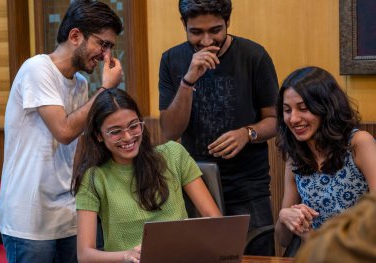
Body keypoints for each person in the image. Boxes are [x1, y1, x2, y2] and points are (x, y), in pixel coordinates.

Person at [0, 1, 123, 262]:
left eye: (110, 47)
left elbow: (76, 149)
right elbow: (64, 131)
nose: (106, 55)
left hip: (67, 213)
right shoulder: (37, 68)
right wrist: (105, 89)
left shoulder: (79, 84)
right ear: (75, 36)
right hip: (29, 219)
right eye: (103, 44)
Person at [158, 0, 279, 256]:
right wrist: (188, 80)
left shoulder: (253, 56)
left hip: (248, 186)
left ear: (228, 23)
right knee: (200, 257)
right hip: (195, 182)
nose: (206, 41)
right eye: (196, 32)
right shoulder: (171, 59)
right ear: (184, 25)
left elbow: (275, 120)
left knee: (256, 255)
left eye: (215, 30)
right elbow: (170, 132)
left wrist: (247, 133)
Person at [72, 88, 221, 263]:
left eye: (133, 126)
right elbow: (85, 254)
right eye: (115, 132)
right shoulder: (94, 178)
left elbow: (215, 221)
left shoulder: (173, 154)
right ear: (99, 136)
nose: (127, 137)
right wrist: (126, 255)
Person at [275, 66, 376, 250]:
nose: (293, 118)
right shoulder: (295, 155)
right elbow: (283, 240)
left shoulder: (359, 144)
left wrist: (312, 236)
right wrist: (284, 217)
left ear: (326, 108)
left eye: (303, 108)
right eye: (287, 110)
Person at [293, 192, 376, 263]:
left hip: (348, 251)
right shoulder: (294, 173)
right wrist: (283, 215)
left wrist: (309, 235)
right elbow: (283, 240)